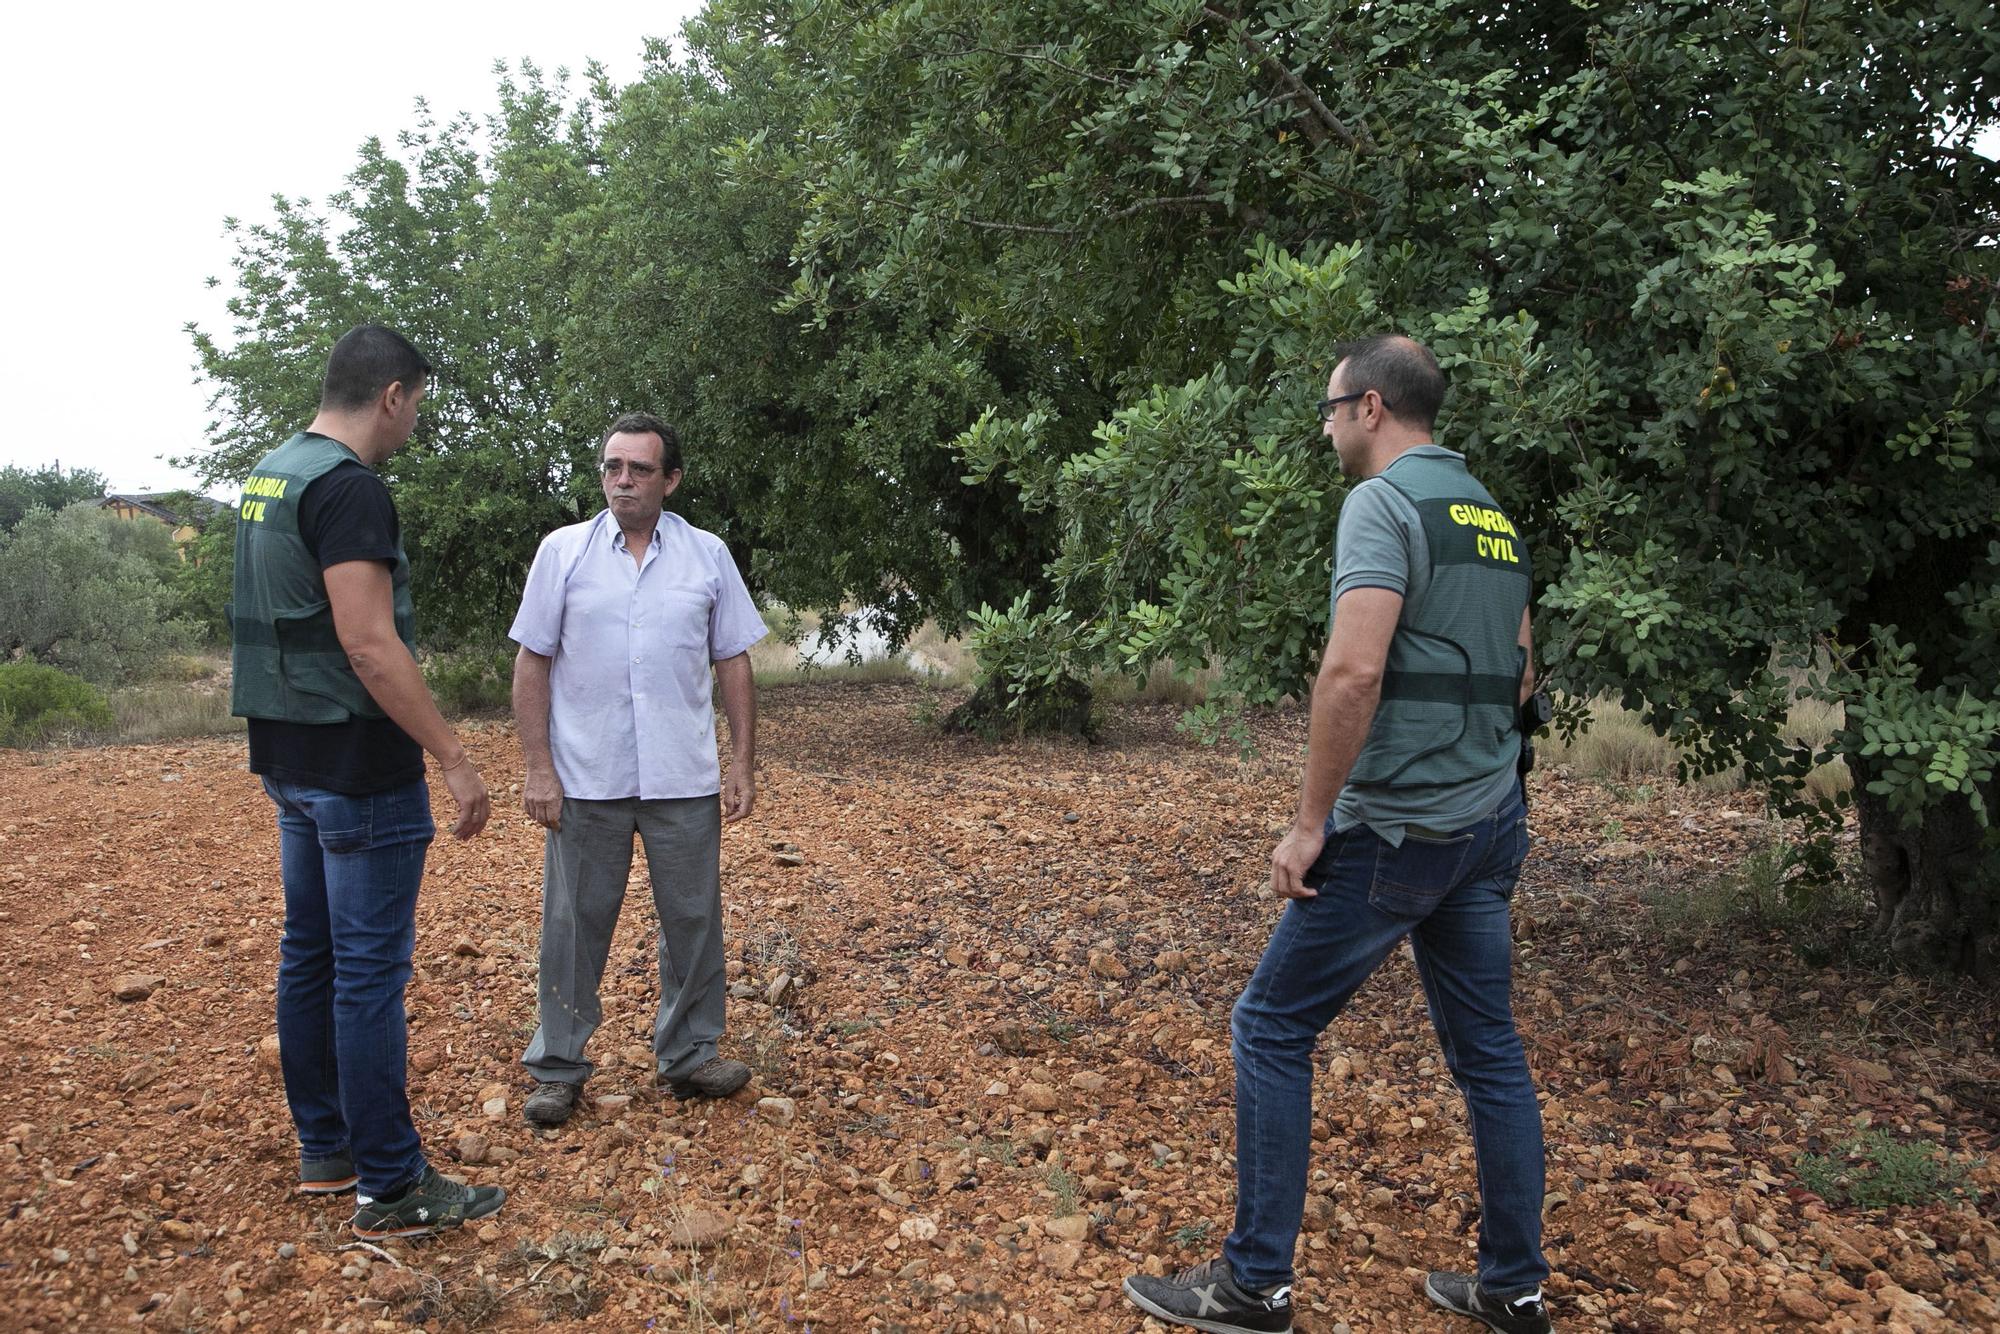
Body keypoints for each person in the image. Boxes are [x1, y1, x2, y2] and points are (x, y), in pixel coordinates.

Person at [1123, 335, 1550, 1334]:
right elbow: (1522, 675)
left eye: (1325, 408)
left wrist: (1310, 821)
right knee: (1488, 1051)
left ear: (1368, 408)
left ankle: (1252, 1285)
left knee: (1269, 1025)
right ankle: (1512, 1287)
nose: (1319, 427)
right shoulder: (1488, 515)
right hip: (1486, 824)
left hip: (1398, 827)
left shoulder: (1382, 504)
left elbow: (1351, 673)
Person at [231, 324, 506, 1239]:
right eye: (418, 403)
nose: (416, 421)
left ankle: (328, 1148)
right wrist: (454, 758)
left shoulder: (272, 472)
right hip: (358, 768)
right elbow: (367, 643)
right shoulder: (350, 491)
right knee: (367, 977)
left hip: (288, 761)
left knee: (308, 950)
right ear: (391, 395)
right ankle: (391, 1184)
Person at [510, 411, 767, 1126]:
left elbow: (733, 659)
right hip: (585, 777)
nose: (622, 480)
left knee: (693, 920)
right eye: (612, 467)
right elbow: (532, 662)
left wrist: (741, 759)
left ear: (671, 479)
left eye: (639, 469)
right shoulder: (560, 553)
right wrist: (538, 768)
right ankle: (558, 1069)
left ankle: (690, 1056)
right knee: (572, 926)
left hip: (681, 777)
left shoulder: (708, 555)